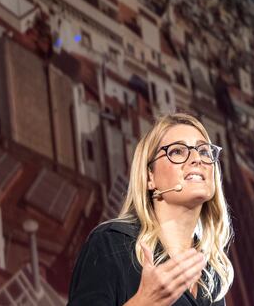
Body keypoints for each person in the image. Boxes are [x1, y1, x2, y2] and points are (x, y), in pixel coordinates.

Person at [68, 113, 234, 306]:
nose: (197, 159)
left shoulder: (212, 276)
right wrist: (144, 302)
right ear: (150, 177)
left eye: (204, 151)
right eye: (178, 151)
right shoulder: (110, 244)